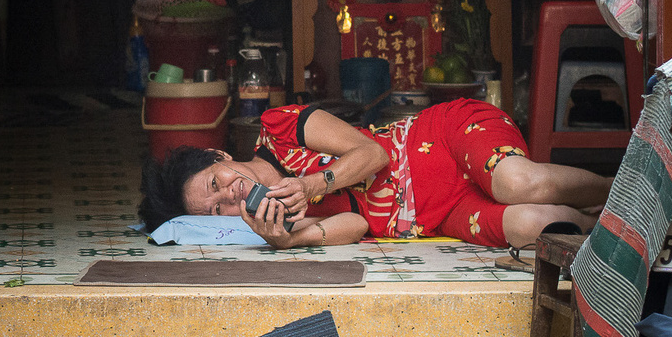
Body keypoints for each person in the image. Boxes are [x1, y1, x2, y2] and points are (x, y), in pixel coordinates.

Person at [139, 97, 609, 250]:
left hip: (444, 138)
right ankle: (613, 224)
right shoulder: (270, 216)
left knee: (516, 184)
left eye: (216, 183)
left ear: (219, 156)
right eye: (218, 207)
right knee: (531, 226)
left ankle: (622, 188)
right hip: (437, 214)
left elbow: (371, 154)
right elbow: (360, 224)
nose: (230, 195)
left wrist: (310, 184)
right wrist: (289, 240)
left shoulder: (281, 129)